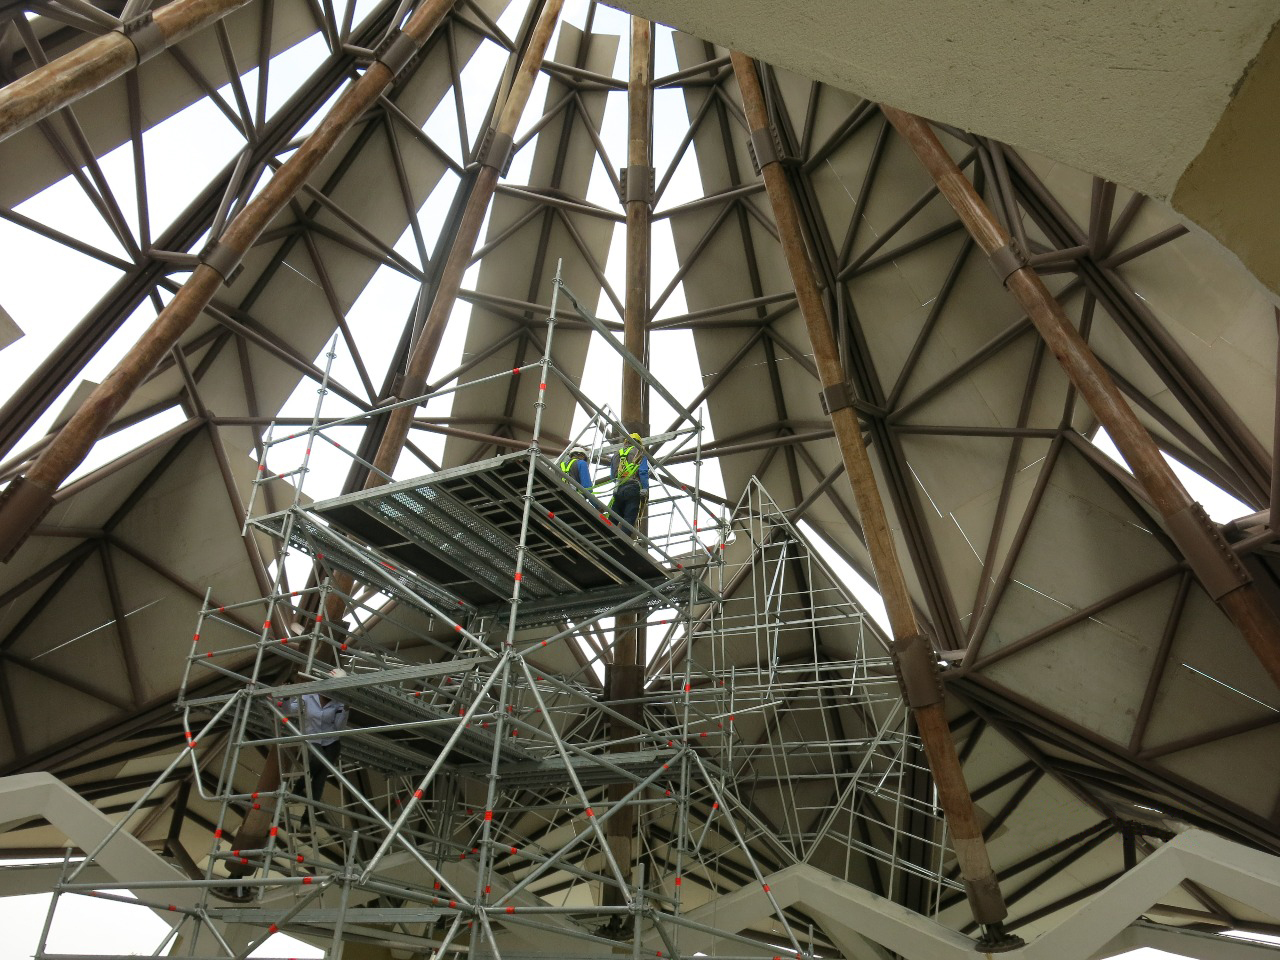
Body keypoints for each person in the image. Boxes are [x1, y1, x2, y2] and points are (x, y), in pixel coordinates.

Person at [283, 667, 349, 803]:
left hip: (332, 742)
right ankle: (298, 789)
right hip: (312, 738)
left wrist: (346, 711)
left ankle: (308, 813)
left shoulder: (339, 702)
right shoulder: (309, 695)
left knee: (320, 780)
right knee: (317, 762)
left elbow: (339, 727)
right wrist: (286, 698)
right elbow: (289, 710)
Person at [609, 432, 648, 530]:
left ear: (626, 442)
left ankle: (606, 533)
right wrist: (645, 488)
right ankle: (623, 537)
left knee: (614, 516)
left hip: (618, 488)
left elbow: (612, 475)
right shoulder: (639, 452)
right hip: (633, 487)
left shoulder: (616, 454)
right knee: (629, 518)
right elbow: (643, 472)